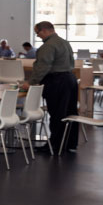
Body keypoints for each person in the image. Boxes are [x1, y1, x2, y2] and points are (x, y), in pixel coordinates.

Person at [32, 21, 77, 154]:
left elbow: (43, 67)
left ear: (45, 31)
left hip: (57, 81)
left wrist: (32, 82)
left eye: (38, 33)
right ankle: (69, 143)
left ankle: (55, 146)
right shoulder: (65, 42)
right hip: (70, 79)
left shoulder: (48, 46)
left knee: (57, 114)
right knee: (70, 113)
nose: (38, 36)